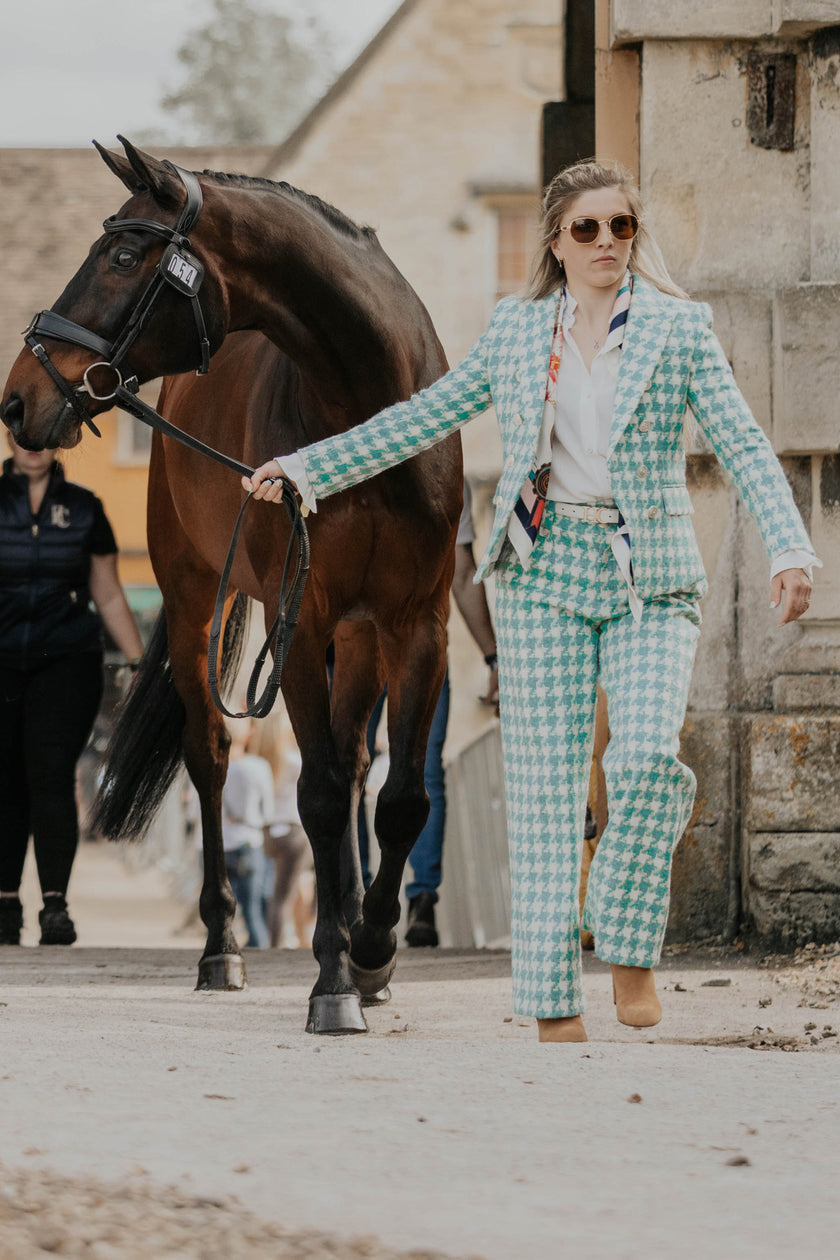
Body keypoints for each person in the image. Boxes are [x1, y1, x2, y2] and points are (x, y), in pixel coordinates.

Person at [244, 159, 818, 1043]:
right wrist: (309, 469)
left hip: (649, 574)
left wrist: (789, 544)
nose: (605, 244)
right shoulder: (516, 333)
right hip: (541, 572)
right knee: (547, 797)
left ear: (635, 235)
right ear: (556, 240)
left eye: (620, 226)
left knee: (645, 765)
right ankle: (554, 1002)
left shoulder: (679, 329)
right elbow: (418, 418)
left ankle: (628, 943)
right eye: (586, 229)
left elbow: (741, 439)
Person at [0, 435, 144, 946]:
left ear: (59, 442)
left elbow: (106, 592)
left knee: (51, 774)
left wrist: (138, 661)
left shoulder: (85, 508)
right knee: (6, 780)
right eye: (21, 434)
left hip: (66, 661)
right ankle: (5, 903)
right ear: (7, 435)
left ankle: (55, 907)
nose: (31, 445)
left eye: (42, 437)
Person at [357, 479, 499, 948]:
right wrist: (492, 656)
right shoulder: (441, 468)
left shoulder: (348, 449)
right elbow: (460, 573)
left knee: (349, 767)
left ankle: (356, 893)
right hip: (419, 645)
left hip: (356, 644)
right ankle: (422, 902)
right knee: (422, 770)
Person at [221, 720, 275, 949]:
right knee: (253, 913)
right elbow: (269, 813)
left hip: (218, 846)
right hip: (250, 843)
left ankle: (223, 954)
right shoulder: (260, 767)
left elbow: (194, 812)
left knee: (222, 917)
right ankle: (263, 967)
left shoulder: (213, 766)